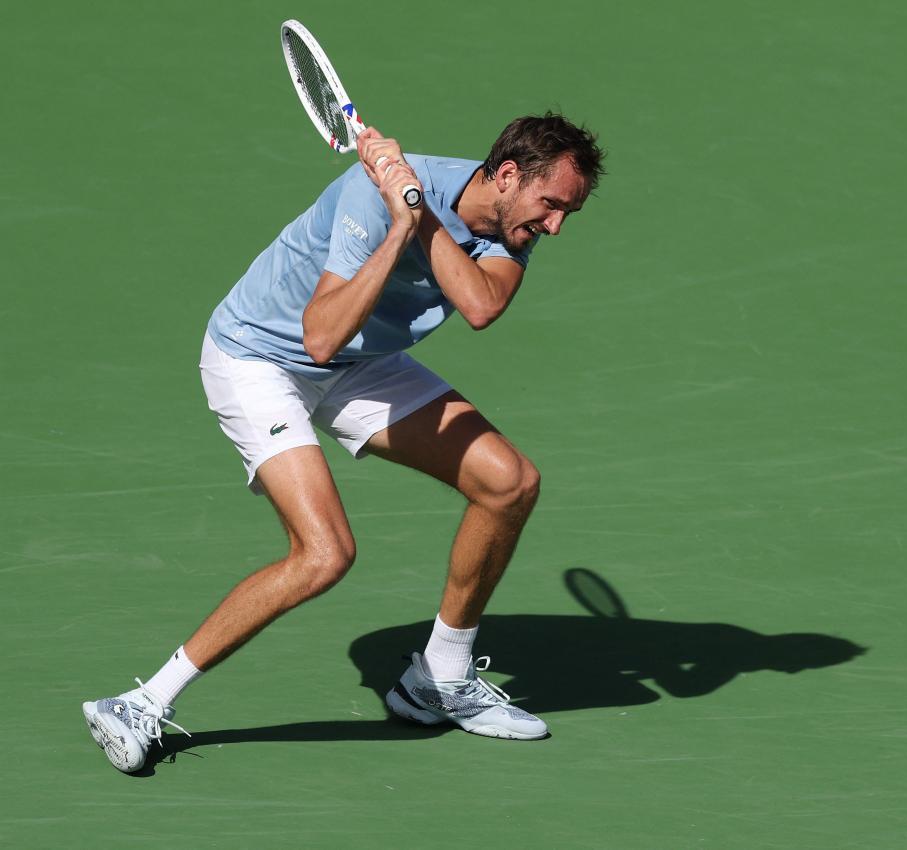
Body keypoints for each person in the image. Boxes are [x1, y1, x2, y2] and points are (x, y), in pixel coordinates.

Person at [82, 112, 605, 773]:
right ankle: (140, 704)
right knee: (324, 554)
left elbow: (479, 306)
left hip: (361, 361)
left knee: (508, 483)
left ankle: (439, 676)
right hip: (261, 359)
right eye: (551, 205)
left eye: (567, 213)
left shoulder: (509, 224)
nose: (554, 225)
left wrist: (419, 215)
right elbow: (320, 338)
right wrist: (401, 223)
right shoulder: (371, 194)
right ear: (507, 175)